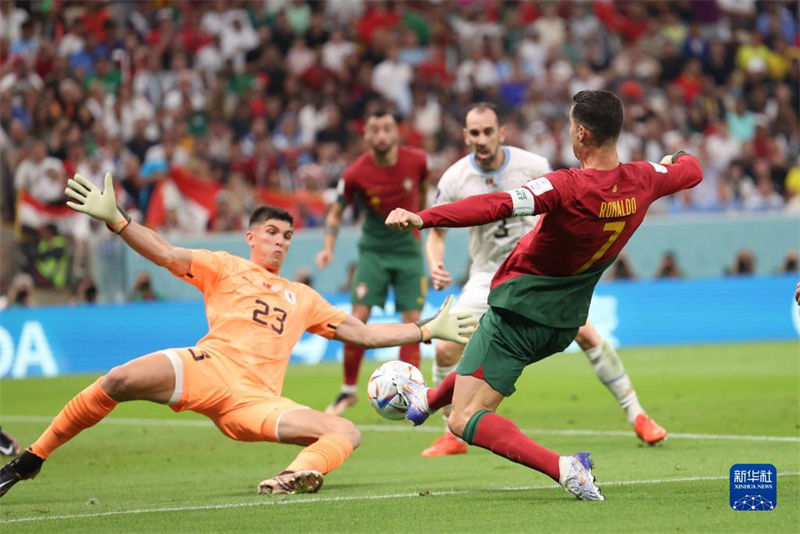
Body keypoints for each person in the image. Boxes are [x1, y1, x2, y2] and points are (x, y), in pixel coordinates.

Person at [0, 173, 474, 499]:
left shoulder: (302, 296)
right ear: (251, 237)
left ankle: (292, 476)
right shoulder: (223, 266)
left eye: (287, 236)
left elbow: (365, 333)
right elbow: (164, 253)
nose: (281, 241)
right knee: (119, 379)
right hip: (208, 367)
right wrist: (119, 222)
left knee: (346, 430)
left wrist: (426, 329)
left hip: (256, 401)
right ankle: (32, 459)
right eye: (272, 232)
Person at [385, 90, 703, 501]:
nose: (569, 133)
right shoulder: (644, 179)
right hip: (562, 324)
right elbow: (690, 169)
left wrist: (423, 218)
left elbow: (496, 205)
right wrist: (675, 156)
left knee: (465, 419)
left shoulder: (566, 186)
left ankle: (564, 468)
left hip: (519, 311)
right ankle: (427, 400)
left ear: (583, 133)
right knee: (476, 365)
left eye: (571, 126)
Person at [421, 102, 667, 458]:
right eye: (474, 133)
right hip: (486, 274)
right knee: (445, 347)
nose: (481, 139)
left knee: (585, 331)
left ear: (501, 132)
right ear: (465, 136)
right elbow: (439, 234)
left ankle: (637, 414)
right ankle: (452, 433)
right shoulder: (454, 178)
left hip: (536, 269)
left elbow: (564, 207)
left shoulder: (531, 165)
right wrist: (435, 263)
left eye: (488, 131)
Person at [316, 108, 429, 416]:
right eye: (375, 129)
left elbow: (422, 193)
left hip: (407, 250)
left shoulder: (417, 160)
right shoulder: (355, 173)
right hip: (374, 252)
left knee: (413, 322)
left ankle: (412, 395)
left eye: (387, 128)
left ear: (396, 132)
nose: (381, 135)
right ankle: (348, 391)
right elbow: (337, 211)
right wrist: (328, 248)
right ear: (366, 135)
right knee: (357, 318)